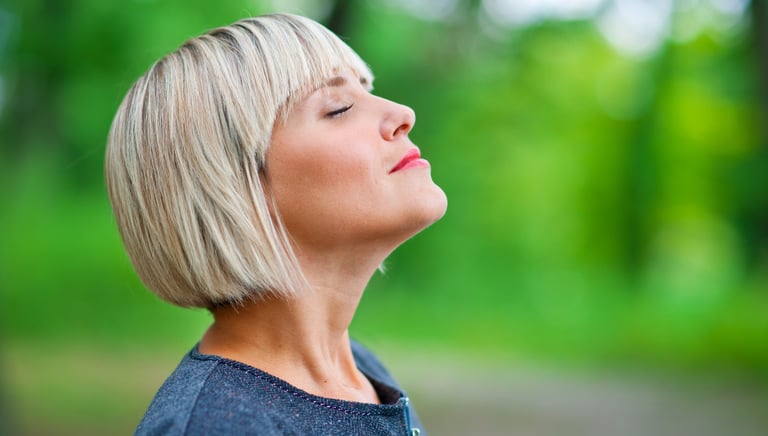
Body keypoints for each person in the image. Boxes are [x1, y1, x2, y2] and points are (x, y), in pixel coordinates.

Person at [105, 13, 447, 436]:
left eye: (367, 90)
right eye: (338, 109)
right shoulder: (217, 426)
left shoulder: (363, 374)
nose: (402, 113)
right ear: (234, 189)